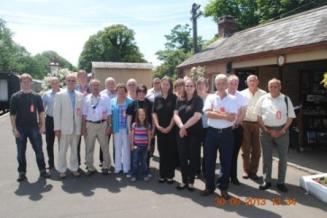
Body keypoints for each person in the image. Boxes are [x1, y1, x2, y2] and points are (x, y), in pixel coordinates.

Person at [201, 74, 237, 200]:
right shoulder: (211, 97)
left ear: (227, 84)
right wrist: (224, 115)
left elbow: (232, 117)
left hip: (227, 133)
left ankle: (223, 188)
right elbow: (207, 114)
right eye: (218, 84)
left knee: (226, 162)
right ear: (215, 85)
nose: (220, 86)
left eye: (223, 83)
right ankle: (209, 187)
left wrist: (216, 112)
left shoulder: (233, 99)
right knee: (209, 161)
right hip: (211, 132)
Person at [256, 78, 295, 192]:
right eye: (271, 86)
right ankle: (266, 180)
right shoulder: (262, 98)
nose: (273, 88)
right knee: (266, 157)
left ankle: (280, 182)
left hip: (282, 131)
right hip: (266, 131)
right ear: (268, 87)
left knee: (283, 158)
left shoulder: (286, 99)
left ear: (280, 87)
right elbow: (258, 117)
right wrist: (266, 130)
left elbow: (290, 117)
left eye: (275, 86)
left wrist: (282, 131)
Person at [10, 73, 50, 182]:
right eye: (24, 81)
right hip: (20, 128)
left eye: (28, 81)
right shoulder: (15, 97)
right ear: (21, 83)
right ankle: (22, 173)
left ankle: (42, 170)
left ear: (31, 83)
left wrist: (43, 126)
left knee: (38, 150)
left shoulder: (36, 96)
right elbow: (12, 115)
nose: (26, 83)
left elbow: (41, 112)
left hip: (34, 128)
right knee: (20, 152)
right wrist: (14, 129)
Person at [174, 78, 203, 191]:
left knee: (194, 157)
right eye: (187, 86)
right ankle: (184, 181)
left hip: (194, 133)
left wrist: (184, 127)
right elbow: (175, 115)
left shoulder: (198, 100)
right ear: (184, 87)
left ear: (194, 87)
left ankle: (191, 181)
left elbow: (197, 116)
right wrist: (181, 126)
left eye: (191, 86)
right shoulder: (179, 99)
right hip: (181, 133)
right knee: (182, 157)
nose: (189, 88)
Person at [53, 73, 83, 179]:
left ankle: (74, 168)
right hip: (64, 128)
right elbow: (56, 113)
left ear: (76, 82)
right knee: (62, 151)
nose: (71, 82)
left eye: (73, 80)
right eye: (69, 80)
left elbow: (81, 112)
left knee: (75, 150)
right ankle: (62, 169)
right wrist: (57, 128)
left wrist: (82, 127)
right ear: (66, 82)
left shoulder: (80, 95)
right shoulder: (60, 94)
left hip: (76, 128)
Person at [82, 79, 112, 176]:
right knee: (89, 147)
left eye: (97, 85)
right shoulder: (86, 98)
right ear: (90, 87)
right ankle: (90, 167)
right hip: (90, 125)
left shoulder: (105, 97)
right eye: (93, 85)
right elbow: (84, 114)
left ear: (100, 86)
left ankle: (106, 166)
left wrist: (109, 126)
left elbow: (109, 113)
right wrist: (83, 127)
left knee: (105, 147)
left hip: (102, 125)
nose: (95, 87)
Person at [222, 75, 248, 185]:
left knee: (234, 154)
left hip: (237, 128)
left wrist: (236, 123)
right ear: (227, 84)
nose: (233, 85)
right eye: (231, 83)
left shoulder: (241, 96)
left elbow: (243, 112)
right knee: (224, 154)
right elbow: (220, 111)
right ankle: (224, 176)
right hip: (223, 128)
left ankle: (233, 176)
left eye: (236, 83)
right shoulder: (222, 95)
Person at [240, 75, 266, 180]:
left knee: (257, 150)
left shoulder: (264, 94)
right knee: (245, 149)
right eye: (250, 80)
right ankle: (246, 171)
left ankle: (253, 171)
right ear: (247, 82)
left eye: (254, 80)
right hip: (245, 123)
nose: (252, 82)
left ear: (258, 81)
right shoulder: (242, 94)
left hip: (257, 124)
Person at [153, 76, 177, 184]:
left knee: (171, 153)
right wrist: (157, 126)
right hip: (160, 130)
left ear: (170, 86)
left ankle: (170, 175)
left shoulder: (174, 98)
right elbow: (154, 113)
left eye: (167, 84)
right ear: (160, 85)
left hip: (171, 130)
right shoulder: (157, 98)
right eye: (163, 84)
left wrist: (169, 127)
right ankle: (162, 175)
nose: (165, 86)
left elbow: (175, 114)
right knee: (162, 153)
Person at [126, 85, 153, 177]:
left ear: (145, 93)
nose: (141, 94)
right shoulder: (132, 104)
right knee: (134, 153)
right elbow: (129, 118)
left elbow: (153, 118)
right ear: (137, 93)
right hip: (135, 132)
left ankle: (146, 171)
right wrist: (129, 130)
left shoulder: (150, 103)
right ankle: (133, 171)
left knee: (146, 153)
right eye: (139, 92)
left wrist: (153, 130)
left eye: (143, 92)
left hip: (147, 132)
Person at [111, 84, 133, 176]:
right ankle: (118, 167)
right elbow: (110, 115)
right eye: (119, 91)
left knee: (127, 148)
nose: (121, 93)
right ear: (116, 92)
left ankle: (126, 168)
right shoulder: (112, 101)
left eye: (123, 91)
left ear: (126, 92)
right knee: (118, 148)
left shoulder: (130, 102)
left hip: (127, 128)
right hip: (117, 128)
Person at [42, 77, 60, 169]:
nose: (55, 84)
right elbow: (42, 110)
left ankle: (61, 163)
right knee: (49, 143)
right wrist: (42, 124)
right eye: (53, 83)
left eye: (56, 82)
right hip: (50, 120)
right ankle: (51, 163)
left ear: (59, 83)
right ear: (51, 84)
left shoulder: (63, 93)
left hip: (61, 121)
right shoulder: (46, 94)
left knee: (62, 143)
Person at [130, 108, 152, 181]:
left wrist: (149, 145)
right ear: (137, 116)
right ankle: (134, 175)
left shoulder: (147, 125)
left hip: (145, 146)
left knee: (144, 162)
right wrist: (132, 144)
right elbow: (132, 135)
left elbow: (149, 136)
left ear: (145, 116)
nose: (142, 116)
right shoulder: (134, 125)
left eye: (143, 115)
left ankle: (145, 174)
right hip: (136, 146)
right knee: (135, 162)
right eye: (140, 115)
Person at [99, 77, 117, 167]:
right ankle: (102, 160)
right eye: (109, 83)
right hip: (106, 121)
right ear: (105, 85)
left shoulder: (117, 93)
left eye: (112, 83)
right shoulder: (101, 94)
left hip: (116, 120)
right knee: (104, 141)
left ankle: (116, 160)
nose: (111, 85)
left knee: (116, 142)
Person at [75, 70, 90, 168]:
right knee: (76, 141)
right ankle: (77, 161)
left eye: (84, 76)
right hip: (77, 117)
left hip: (88, 117)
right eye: (80, 76)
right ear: (78, 78)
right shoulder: (75, 88)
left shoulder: (91, 87)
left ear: (87, 77)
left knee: (88, 141)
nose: (82, 78)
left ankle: (88, 161)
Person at [196, 77, 209, 178]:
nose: (200, 87)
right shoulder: (194, 98)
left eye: (202, 85)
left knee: (207, 150)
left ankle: (205, 170)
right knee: (195, 150)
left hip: (207, 128)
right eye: (198, 85)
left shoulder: (211, 98)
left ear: (207, 87)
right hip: (196, 128)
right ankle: (196, 170)